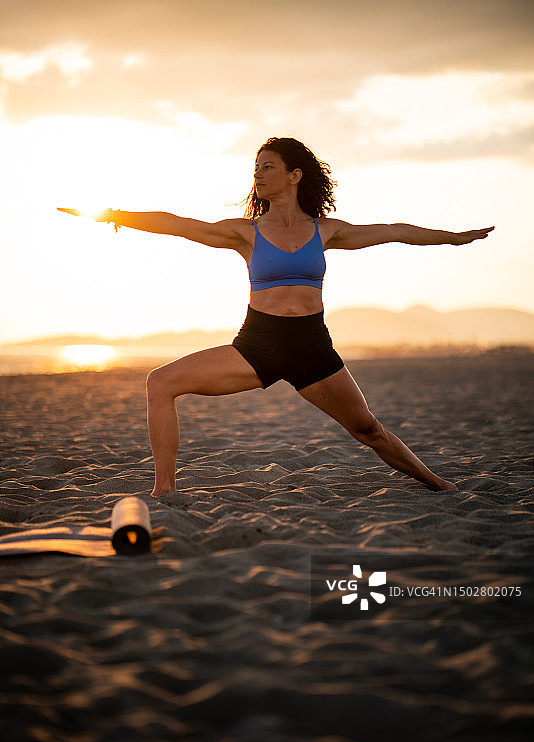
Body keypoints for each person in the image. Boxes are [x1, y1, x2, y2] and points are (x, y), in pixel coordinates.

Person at [58, 136, 494, 497]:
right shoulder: (244, 232)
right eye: (256, 168)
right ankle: (164, 490)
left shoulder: (327, 230)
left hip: (311, 347)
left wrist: (453, 239)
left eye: (268, 166)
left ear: (294, 175)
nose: (258, 174)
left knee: (368, 429)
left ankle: (441, 486)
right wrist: (110, 215)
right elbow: (178, 223)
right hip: (257, 346)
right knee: (160, 382)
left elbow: (395, 231)